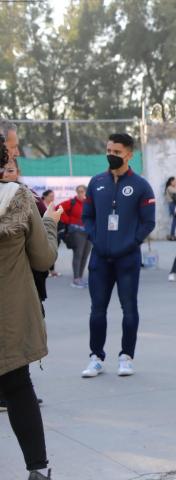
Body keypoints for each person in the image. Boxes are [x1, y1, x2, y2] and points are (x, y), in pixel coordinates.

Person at [0, 132, 62, 480]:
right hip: (10, 317)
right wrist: (50, 221)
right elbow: (44, 258)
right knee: (18, 387)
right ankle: (38, 470)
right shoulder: (18, 198)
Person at [80, 133, 156, 379]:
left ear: (129, 155)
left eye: (117, 152)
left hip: (127, 259)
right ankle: (96, 357)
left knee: (129, 309)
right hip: (100, 258)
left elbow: (148, 223)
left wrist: (130, 243)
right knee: (97, 310)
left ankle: (126, 357)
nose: (111, 155)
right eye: (109, 151)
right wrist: (95, 239)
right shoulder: (96, 182)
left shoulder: (141, 186)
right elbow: (87, 216)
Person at [59, 185, 92, 288]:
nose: (81, 194)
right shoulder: (71, 202)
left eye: (83, 192)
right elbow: (58, 208)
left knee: (85, 255)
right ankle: (76, 279)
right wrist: (68, 220)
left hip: (89, 232)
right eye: (79, 192)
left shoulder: (90, 203)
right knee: (78, 254)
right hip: (77, 232)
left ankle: (80, 277)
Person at [164, 176, 176, 241]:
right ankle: (172, 235)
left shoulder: (173, 188)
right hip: (172, 204)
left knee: (175, 220)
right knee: (175, 219)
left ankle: (173, 234)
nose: (175, 183)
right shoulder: (169, 188)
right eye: (174, 181)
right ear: (171, 182)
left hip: (174, 204)